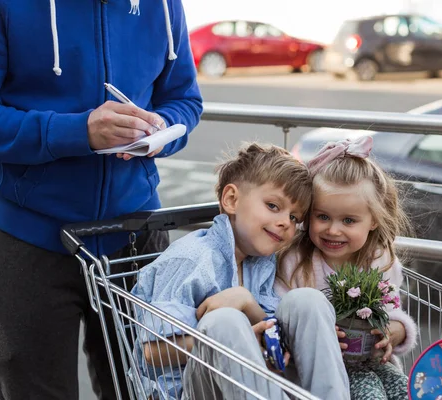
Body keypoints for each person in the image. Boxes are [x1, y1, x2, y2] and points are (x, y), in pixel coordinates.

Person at [0, 0, 203, 398]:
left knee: (146, 392)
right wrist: (78, 131)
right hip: (28, 239)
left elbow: (185, 99)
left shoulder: (163, 5)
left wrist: (160, 131)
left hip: (135, 241)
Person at [131, 143, 350, 400]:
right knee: (224, 321)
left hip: (253, 384)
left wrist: (256, 312)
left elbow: (263, 328)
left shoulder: (261, 263)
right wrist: (238, 339)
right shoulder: (191, 259)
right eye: (273, 206)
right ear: (232, 200)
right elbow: (152, 350)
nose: (284, 223)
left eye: (294, 218)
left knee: (307, 300)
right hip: (189, 390)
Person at [275, 136, 418, 400]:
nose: (333, 229)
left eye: (349, 220)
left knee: (407, 391)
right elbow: (279, 315)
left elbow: (392, 308)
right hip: (316, 373)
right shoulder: (296, 263)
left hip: (373, 363)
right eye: (323, 217)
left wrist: (396, 332)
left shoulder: (379, 259)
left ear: (374, 220)